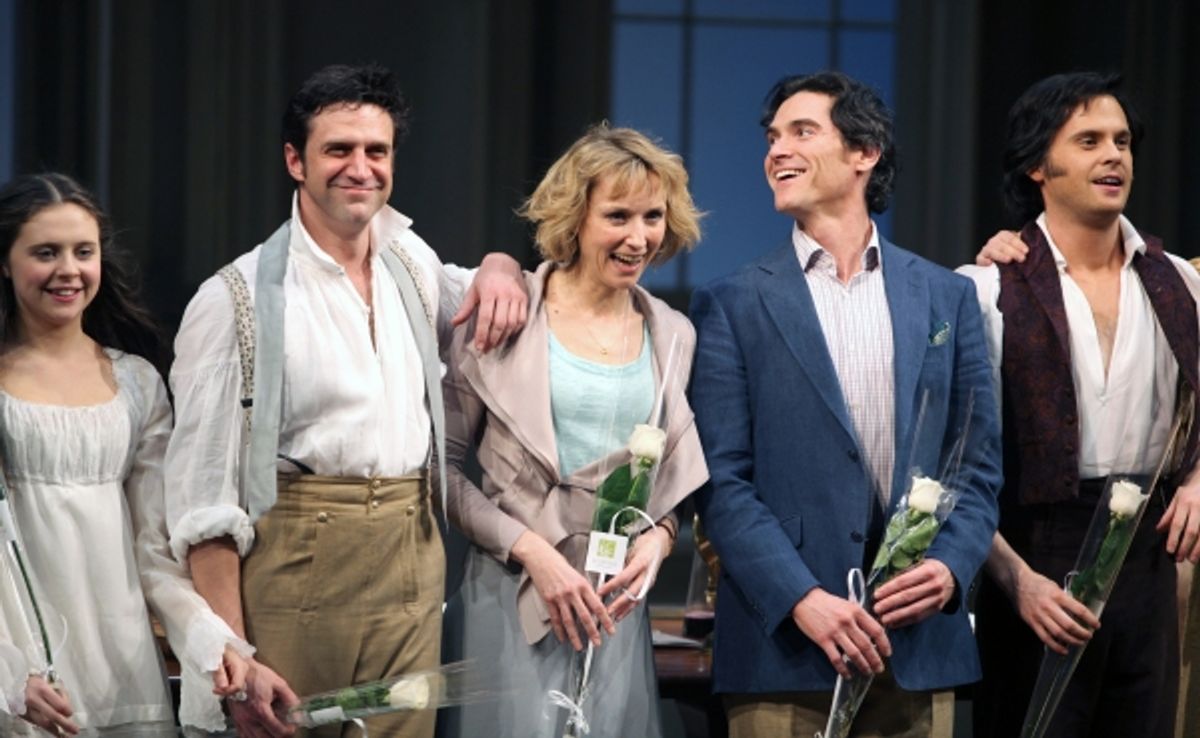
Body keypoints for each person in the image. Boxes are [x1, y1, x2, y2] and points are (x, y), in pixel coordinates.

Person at [164, 64, 528, 738]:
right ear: (295, 161)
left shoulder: (408, 261)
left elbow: (478, 289)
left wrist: (503, 265)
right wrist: (234, 655)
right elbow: (200, 500)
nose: (360, 168)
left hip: (410, 562)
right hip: (297, 568)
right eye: (339, 150)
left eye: (377, 151)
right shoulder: (235, 298)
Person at [688, 71, 1002, 737]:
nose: (777, 150)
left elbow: (976, 468)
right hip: (787, 650)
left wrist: (949, 566)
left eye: (802, 132)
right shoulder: (732, 302)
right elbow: (721, 482)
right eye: (772, 137)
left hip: (917, 645)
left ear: (865, 153)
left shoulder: (946, 297)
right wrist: (801, 599)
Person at [440, 124, 708, 738]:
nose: (638, 238)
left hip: (613, 608)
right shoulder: (506, 314)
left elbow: (672, 483)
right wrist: (533, 553)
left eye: (652, 216)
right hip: (511, 596)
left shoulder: (673, 334)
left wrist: (660, 542)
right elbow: (443, 472)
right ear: (575, 218)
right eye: (617, 215)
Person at [962, 72, 1200, 738]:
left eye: (1122, 140)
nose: (1113, 155)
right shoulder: (984, 288)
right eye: (1090, 140)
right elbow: (954, 465)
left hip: (1150, 552)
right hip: (1037, 551)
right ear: (1039, 164)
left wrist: (1198, 480)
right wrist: (1015, 580)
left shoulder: (1178, 279)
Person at [0, 172, 251, 737]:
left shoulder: (136, 382)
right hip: (25, 682)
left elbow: (155, 553)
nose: (68, 269)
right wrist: (9, 676)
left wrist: (213, 641)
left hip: (123, 673)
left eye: (82, 252)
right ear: (5, 262)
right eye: (46, 252)